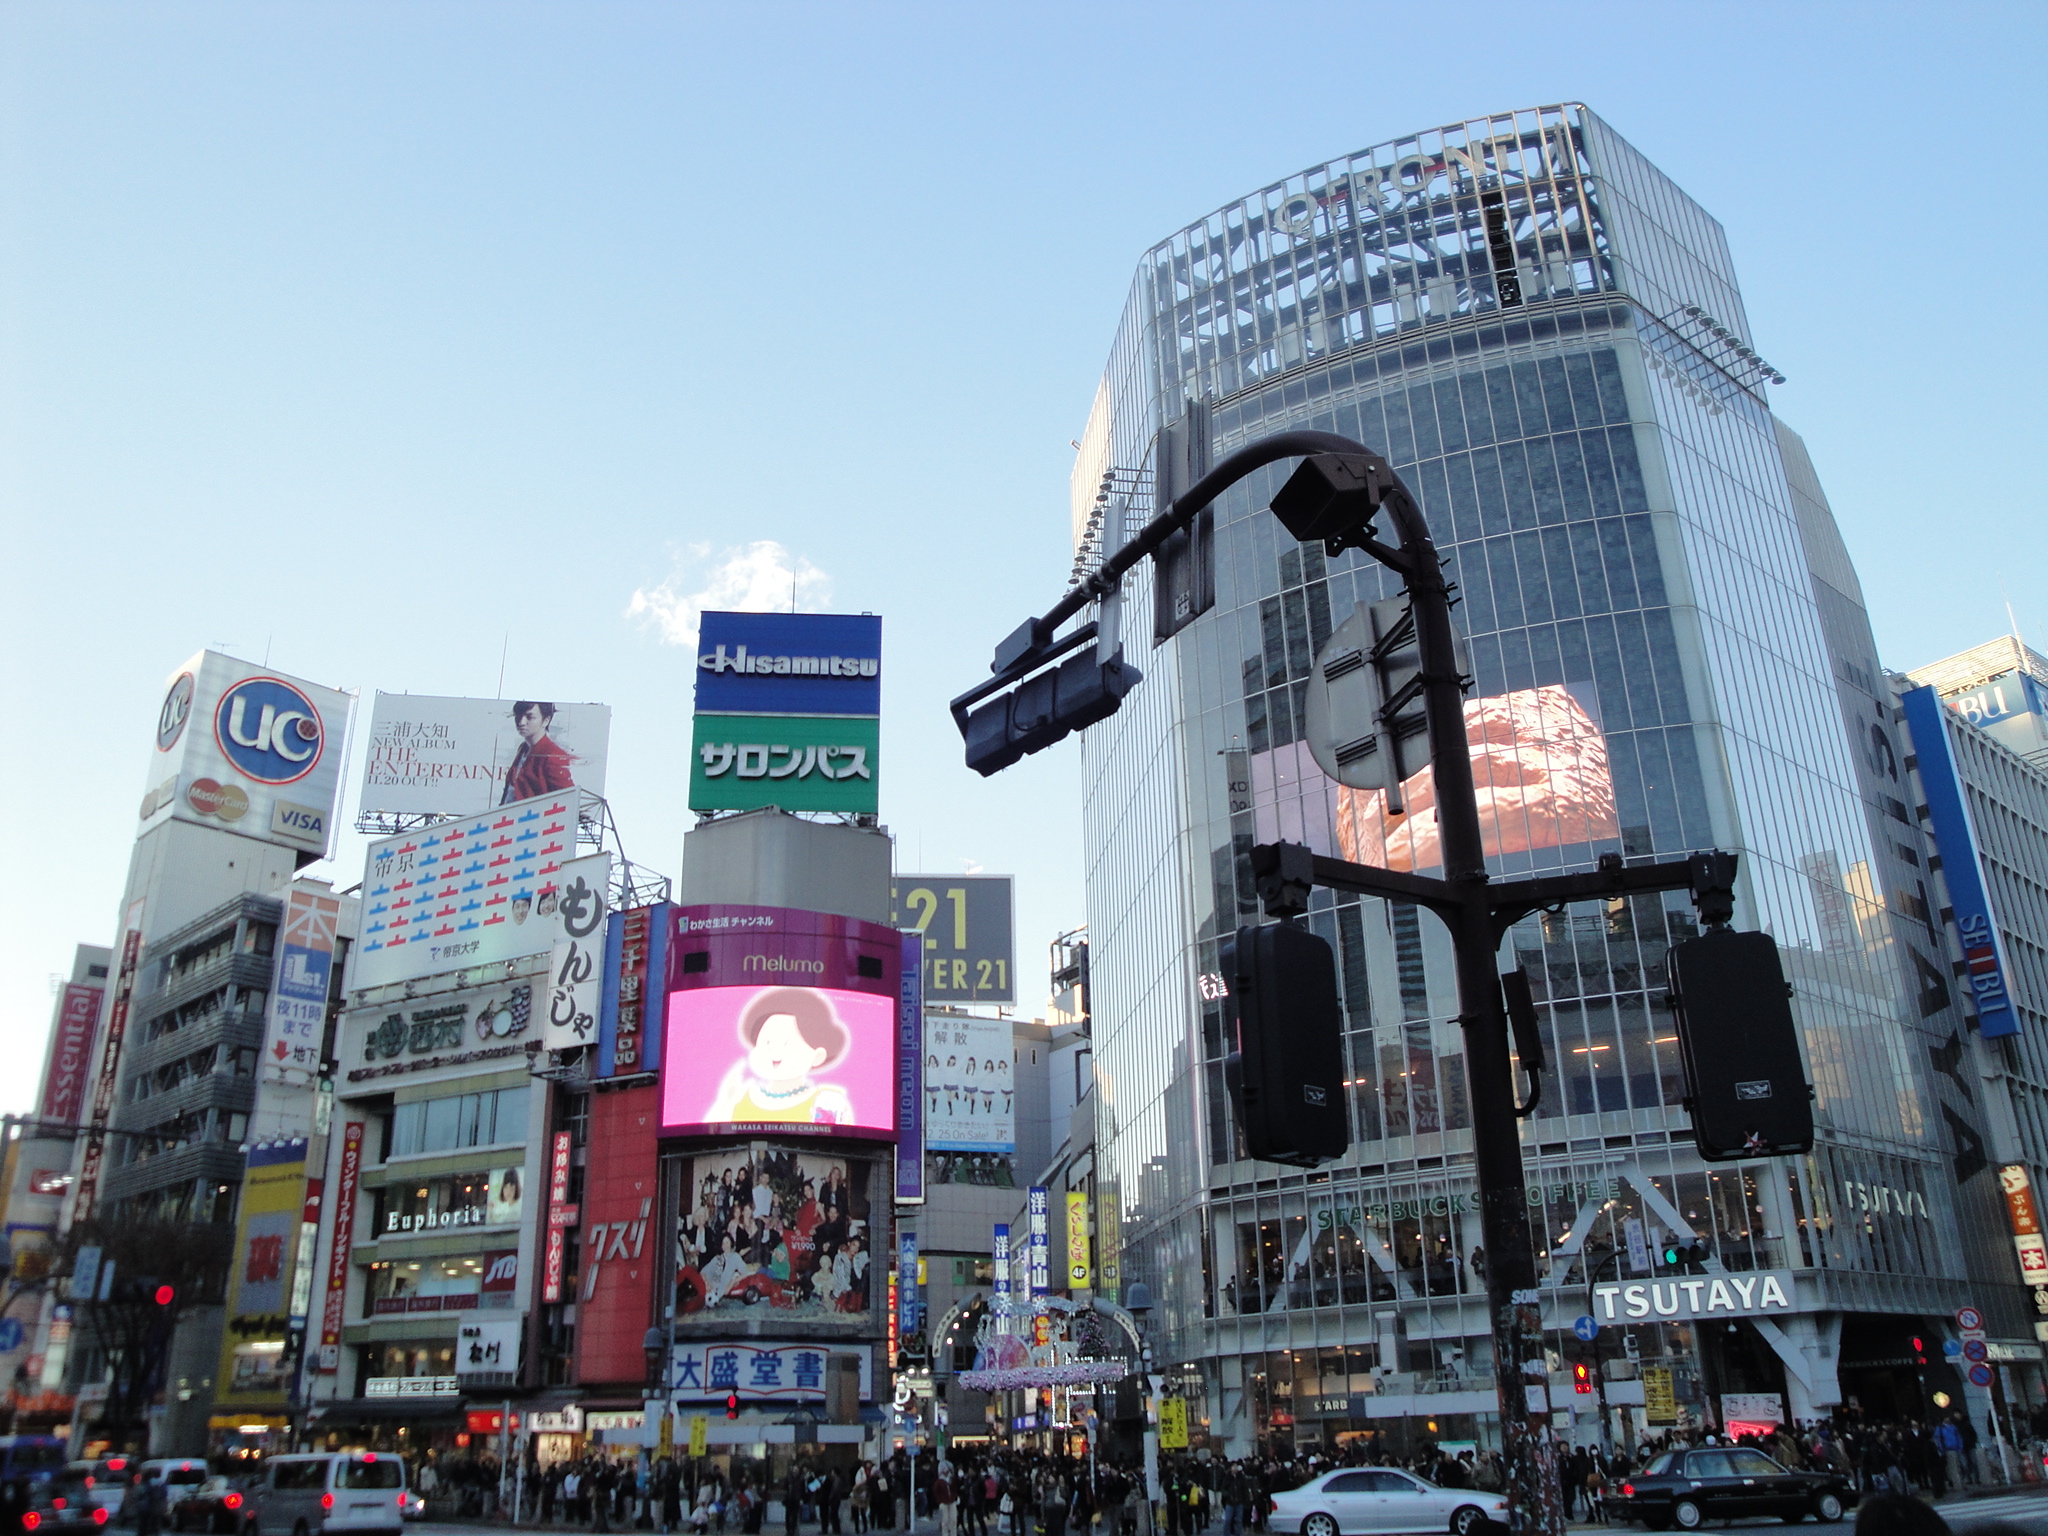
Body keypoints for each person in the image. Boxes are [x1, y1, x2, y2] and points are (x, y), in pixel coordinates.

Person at [707, 988, 858, 1125]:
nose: (774, 1051)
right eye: (767, 1042)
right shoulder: (741, 1097)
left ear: (817, 1056)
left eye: (786, 1043)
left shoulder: (828, 1103)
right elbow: (711, 1134)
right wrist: (725, 1102)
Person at [503, 700, 577, 803]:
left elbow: (568, 799)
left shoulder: (552, 755)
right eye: (518, 716)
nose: (521, 722)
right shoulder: (524, 747)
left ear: (546, 721)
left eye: (530, 717)